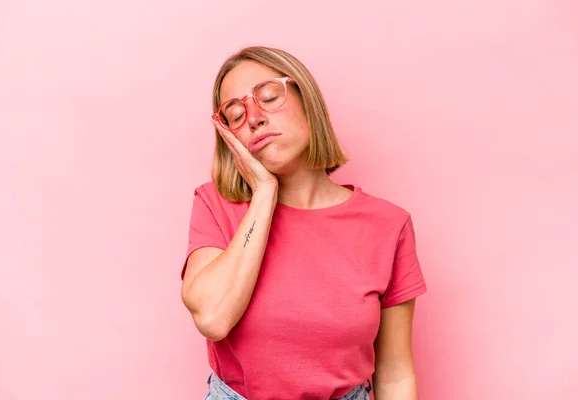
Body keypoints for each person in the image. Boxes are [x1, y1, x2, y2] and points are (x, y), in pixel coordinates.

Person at [180, 45, 427, 400]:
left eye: (268, 96)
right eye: (235, 114)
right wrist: (265, 191)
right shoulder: (216, 205)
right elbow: (213, 319)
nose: (253, 118)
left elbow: (395, 373)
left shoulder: (388, 225)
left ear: (307, 100)